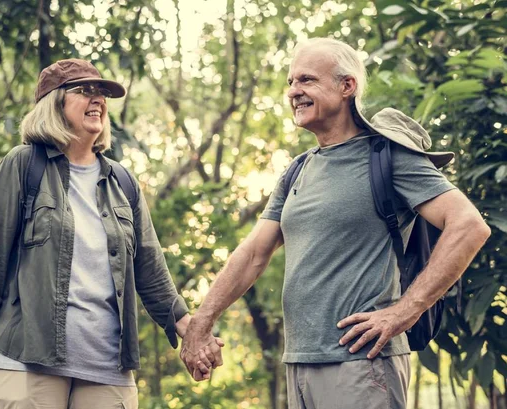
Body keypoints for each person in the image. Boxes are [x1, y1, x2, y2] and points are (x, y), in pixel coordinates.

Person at [181, 38, 491, 408]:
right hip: (300, 363)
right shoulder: (298, 169)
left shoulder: (389, 156)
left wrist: (404, 312)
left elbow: (470, 225)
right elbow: (252, 254)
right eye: (290, 82)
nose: (294, 92)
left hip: (363, 366)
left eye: (307, 80)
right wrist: (202, 319)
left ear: (347, 87)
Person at [0, 58, 199, 409]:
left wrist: (194, 331)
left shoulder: (123, 182)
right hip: (29, 361)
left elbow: (151, 270)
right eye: (85, 91)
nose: (98, 99)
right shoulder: (24, 164)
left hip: (108, 366)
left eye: (102, 93)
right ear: (54, 103)